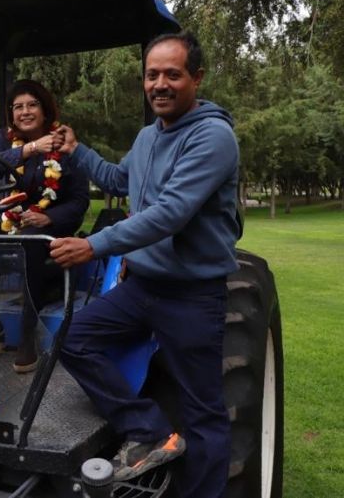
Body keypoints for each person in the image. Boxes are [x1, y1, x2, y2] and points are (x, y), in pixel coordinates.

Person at [50, 32, 239, 498]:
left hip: (192, 296)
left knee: (204, 414)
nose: (160, 84)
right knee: (71, 338)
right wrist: (77, 151)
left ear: (196, 77)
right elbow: (120, 178)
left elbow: (170, 212)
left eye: (172, 74)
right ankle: (149, 429)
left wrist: (93, 245)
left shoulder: (213, 136)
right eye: (152, 75)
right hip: (142, 289)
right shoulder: (147, 137)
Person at [0, 79, 90, 373]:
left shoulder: (63, 142)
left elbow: (80, 200)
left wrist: (49, 217)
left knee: (30, 241)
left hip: (49, 226)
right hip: (10, 221)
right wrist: (29, 149)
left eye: (32, 105)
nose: (25, 112)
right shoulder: (5, 141)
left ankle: (27, 334)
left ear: (44, 110)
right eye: (18, 107)